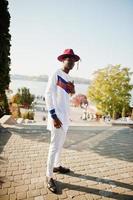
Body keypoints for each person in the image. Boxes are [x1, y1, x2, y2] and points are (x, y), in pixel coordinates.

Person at [45, 49, 80, 193]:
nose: (71, 61)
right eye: (68, 59)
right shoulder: (56, 73)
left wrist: (73, 90)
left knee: (60, 145)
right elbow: (47, 94)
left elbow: (69, 95)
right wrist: (53, 116)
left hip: (65, 118)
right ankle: (48, 176)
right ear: (63, 60)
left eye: (73, 59)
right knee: (54, 146)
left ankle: (57, 166)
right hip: (57, 118)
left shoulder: (67, 77)